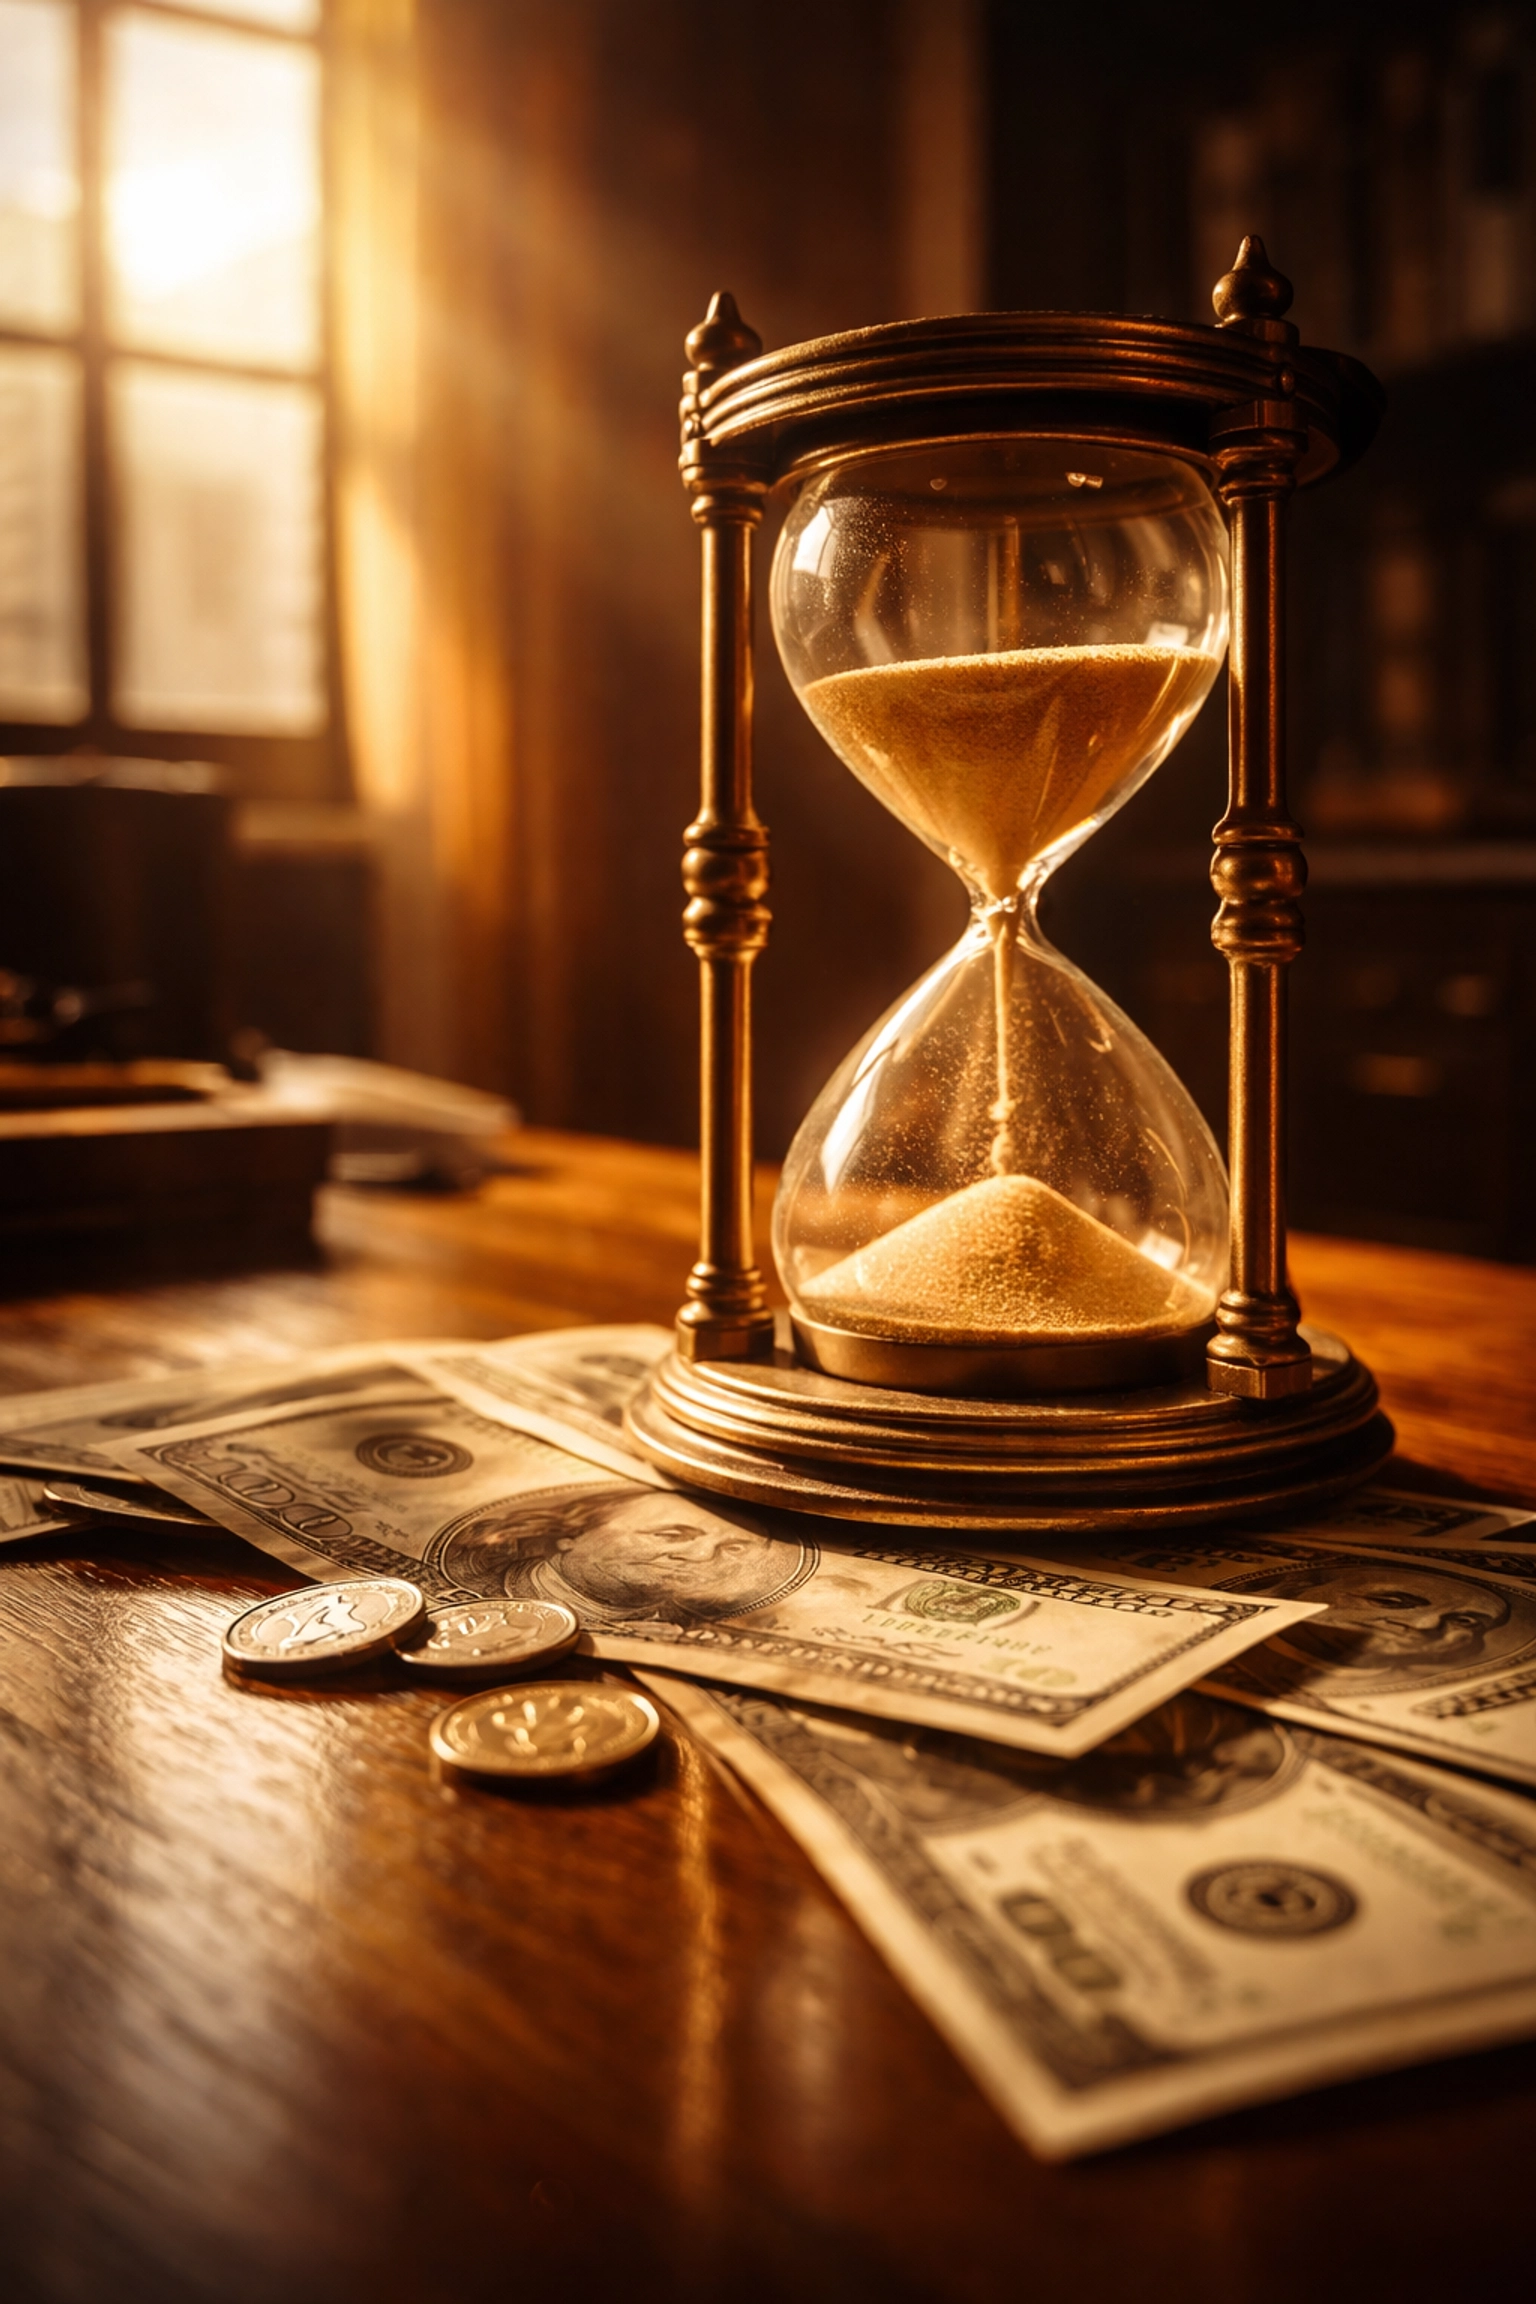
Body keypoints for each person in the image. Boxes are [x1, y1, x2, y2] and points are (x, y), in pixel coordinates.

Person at [429, 1479, 815, 1628]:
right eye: (671, 1534)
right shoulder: (466, 1583)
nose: (701, 1557)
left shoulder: (682, 1631)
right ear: (572, 1535)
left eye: (731, 1548)